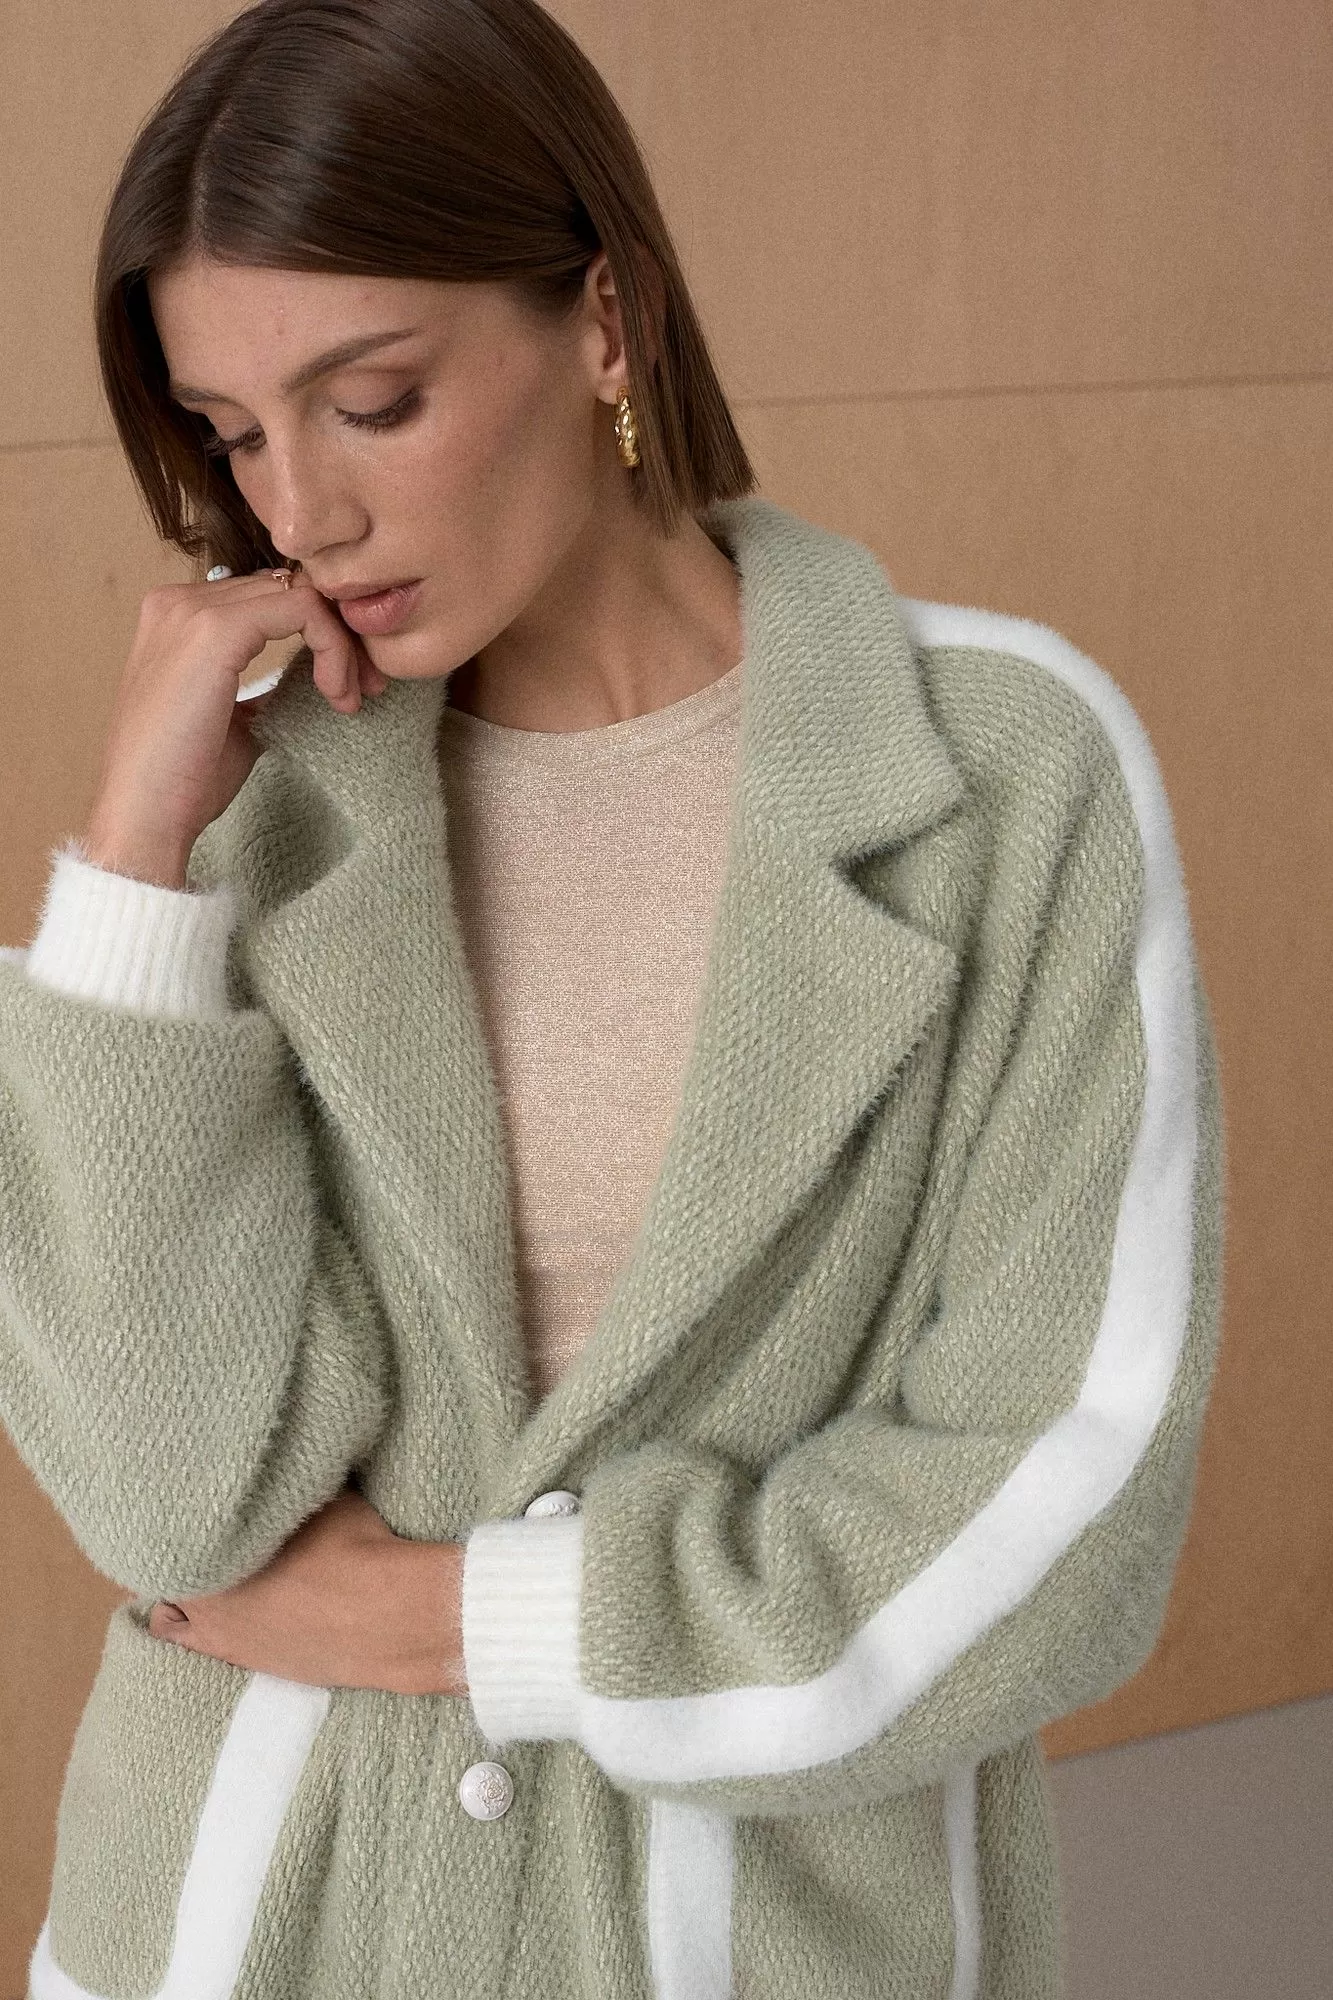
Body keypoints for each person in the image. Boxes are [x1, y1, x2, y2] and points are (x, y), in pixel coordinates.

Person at [0, 1, 1225, 1996]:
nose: (297, 512)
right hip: (250, 1922)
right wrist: (132, 874)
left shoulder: (1008, 777)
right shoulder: (263, 804)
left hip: (759, 1936)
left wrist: (482, 1623)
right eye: (231, 433)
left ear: (606, 319)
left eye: (372, 399)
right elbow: (170, 1497)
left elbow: (1062, 1481)